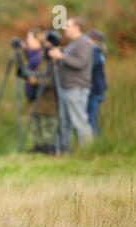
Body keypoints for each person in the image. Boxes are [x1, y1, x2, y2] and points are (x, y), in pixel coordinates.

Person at [49, 17, 93, 153]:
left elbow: (80, 63)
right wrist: (59, 64)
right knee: (65, 122)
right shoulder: (72, 43)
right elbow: (70, 62)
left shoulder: (83, 43)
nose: (64, 28)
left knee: (79, 121)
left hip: (76, 88)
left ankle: (88, 151)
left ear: (77, 27)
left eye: (68, 25)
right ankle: (64, 151)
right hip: (66, 87)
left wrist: (61, 57)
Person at [21, 28, 57, 154]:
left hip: (46, 97)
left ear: (39, 40)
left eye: (30, 38)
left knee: (46, 123)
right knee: (36, 122)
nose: (27, 41)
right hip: (34, 95)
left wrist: (36, 80)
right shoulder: (33, 57)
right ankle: (38, 146)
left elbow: (51, 79)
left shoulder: (45, 57)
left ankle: (48, 148)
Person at [86, 29, 107, 137]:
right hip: (97, 90)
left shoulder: (95, 52)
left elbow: (88, 68)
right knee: (90, 119)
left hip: (94, 91)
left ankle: (96, 143)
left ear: (92, 40)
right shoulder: (98, 52)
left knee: (91, 120)